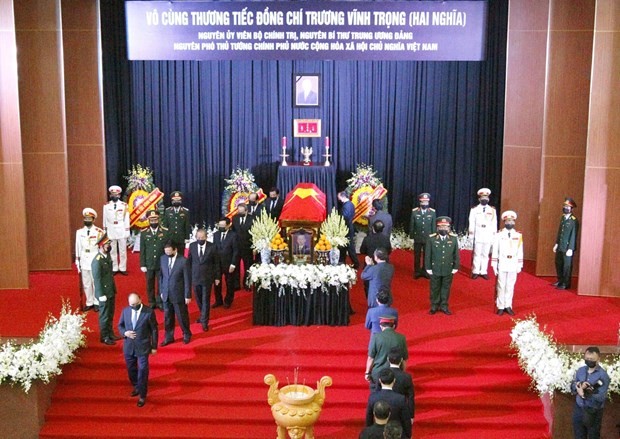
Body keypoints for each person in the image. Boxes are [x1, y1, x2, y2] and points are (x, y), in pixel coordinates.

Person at [117, 293, 158, 407]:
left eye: (135, 304)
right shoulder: (125, 311)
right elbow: (120, 326)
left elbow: (154, 330)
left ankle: (143, 395)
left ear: (141, 300)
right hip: (129, 347)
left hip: (143, 346)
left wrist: (154, 346)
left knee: (143, 370)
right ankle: (136, 386)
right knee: (131, 369)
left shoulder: (148, 312)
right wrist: (125, 333)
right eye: (131, 304)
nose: (133, 306)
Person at [570, 346, 610, 439]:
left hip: (593, 411)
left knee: (593, 436)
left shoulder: (603, 375)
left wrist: (585, 394)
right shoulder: (581, 371)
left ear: (598, 359)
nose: (589, 360)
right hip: (579, 409)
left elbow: (601, 397)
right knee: (578, 436)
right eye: (587, 359)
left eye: (592, 359)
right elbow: (572, 386)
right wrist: (579, 385)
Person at [425, 216, 460, 315]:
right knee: (434, 287)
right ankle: (434, 305)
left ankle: (444, 305)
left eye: (446, 227)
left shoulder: (453, 239)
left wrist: (456, 266)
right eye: (441, 227)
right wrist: (428, 267)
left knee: (446, 288)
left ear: (449, 228)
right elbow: (428, 254)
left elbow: (456, 254)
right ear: (437, 228)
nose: (443, 229)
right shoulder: (431, 239)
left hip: (448, 268)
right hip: (435, 268)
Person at [159, 241, 192, 346]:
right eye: (166, 251)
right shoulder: (163, 259)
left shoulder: (183, 261)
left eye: (169, 251)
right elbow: (161, 276)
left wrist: (187, 295)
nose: (167, 253)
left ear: (175, 250)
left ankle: (186, 333)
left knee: (181, 316)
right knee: (167, 317)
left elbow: (187, 279)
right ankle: (169, 337)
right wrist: (161, 290)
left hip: (178, 294)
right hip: (166, 294)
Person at [491, 210, 523, 316]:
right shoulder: (499, 235)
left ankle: (508, 305)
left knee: (510, 286)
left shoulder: (518, 235)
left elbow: (520, 251)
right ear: (504, 222)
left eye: (512, 221)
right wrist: (494, 264)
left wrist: (520, 264)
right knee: (501, 285)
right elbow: (495, 250)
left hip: (513, 263)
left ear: (514, 222)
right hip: (503, 262)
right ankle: (500, 306)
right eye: (508, 221)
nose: (510, 223)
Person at [187, 228, 220, 331]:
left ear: (206, 237)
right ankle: (202, 315)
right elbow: (189, 261)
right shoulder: (192, 246)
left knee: (206, 300)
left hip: (207, 278)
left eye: (202, 237)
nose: (200, 239)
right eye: (198, 237)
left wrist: (217, 277)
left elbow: (216, 263)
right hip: (195, 277)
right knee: (198, 299)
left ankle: (205, 321)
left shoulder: (212, 246)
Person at [365, 368, 412, 439]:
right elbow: (406, 420)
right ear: (394, 380)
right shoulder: (400, 399)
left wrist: (370, 431)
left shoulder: (373, 398)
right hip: (396, 433)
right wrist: (408, 435)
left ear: (380, 380)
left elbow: (369, 418)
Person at [365, 316, 408, 387]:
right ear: (393, 326)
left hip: (378, 372)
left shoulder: (376, 337)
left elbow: (371, 358)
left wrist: (367, 372)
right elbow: (404, 359)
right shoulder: (401, 338)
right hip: (395, 373)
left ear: (381, 326)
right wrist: (402, 373)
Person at [91, 234, 118, 345]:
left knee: (110, 313)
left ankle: (110, 333)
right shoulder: (97, 261)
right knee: (104, 315)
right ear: (101, 246)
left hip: (110, 290)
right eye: (107, 244)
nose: (109, 246)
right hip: (103, 292)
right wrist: (100, 294)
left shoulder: (107, 256)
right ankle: (104, 336)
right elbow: (97, 279)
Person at [75, 207, 103, 312]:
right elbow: (77, 246)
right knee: (86, 282)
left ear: (93, 219)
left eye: (89, 219)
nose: (87, 220)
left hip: (94, 256)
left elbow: (102, 246)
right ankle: (89, 301)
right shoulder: (79, 232)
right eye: (85, 218)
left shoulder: (99, 231)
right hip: (84, 258)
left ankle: (96, 301)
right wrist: (77, 260)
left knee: (95, 281)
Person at [139, 210, 168, 311]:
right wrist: (142, 264)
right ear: (148, 220)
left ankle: (160, 301)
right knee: (149, 283)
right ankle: (151, 302)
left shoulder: (165, 231)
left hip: (161, 263)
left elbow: (167, 248)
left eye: (155, 219)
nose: (154, 221)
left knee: (161, 284)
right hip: (149, 263)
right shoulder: (144, 233)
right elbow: (142, 250)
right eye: (151, 219)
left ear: (158, 219)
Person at [468, 188, 497, 280]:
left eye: (486, 197)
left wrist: (493, 236)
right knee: (477, 253)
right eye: (482, 197)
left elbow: (494, 223)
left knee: (485, 254)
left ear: (488, 198)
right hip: (478, 233)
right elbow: (471, 222)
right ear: (479, 199)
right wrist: (471, 235)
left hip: (488, 234)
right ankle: (476, 271)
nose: (484, 199)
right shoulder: (474, 209)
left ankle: (483, 271)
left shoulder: (492, 210)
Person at [552, 197, 579, 290]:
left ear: (571, 209)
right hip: (560, 245)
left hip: (568, 247)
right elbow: (560, 232)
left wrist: (571, 248)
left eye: (568, 207)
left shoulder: (573, 220)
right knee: (558, 263)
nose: (566, 208)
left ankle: (565, 283)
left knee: (567, 266)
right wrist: (556, 243)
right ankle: (560, 280)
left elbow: (574, 235)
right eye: (565, 206)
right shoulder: (563, 218)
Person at [102, 185, 130, 275]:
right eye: (113, 194)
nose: (114, 196)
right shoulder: (106, 206)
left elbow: (126, 218)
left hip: (121, 227)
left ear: (119, 195)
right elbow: (105, 219)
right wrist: (104, 230)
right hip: (110, 228)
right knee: (112, 249)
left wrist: (127, 230)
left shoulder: (124, 205)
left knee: (122, 250)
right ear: (110, 195)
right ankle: (114, 267)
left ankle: (122, 267)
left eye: (116, 194)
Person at [213, 217, 239, 309]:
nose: (221, 227)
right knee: (217, 283)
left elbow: (236, 251)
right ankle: (218, 300)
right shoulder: (215, 234)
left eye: (223, 226)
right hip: (217, 263)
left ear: (228, 225)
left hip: (228, 263)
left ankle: (228, 300)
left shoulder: (233, 235)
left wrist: (233, 264)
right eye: (220, 225)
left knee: (229, 283)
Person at [408, 193, 436, 279]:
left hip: (428, 238)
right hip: (418, 237)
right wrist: (412, 235)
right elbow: (412, 225)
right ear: (420, 202)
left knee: (427, 255)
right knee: (417, 256)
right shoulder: (415, 212)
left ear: (428, 202)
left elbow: (433, 226)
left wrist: (433, 237)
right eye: (423, 202)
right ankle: (417, 271)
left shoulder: (432, 212)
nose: (424, 204)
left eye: (426, 202)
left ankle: (425, 271)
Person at [388, 348, 415, 417]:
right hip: (400, 409)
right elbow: (410, 397)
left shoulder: (382, 374)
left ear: (388, 359)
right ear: (401, 361)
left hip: (384, 409)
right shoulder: (406, 377)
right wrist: (411, 415)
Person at [232, 203, 254, 289]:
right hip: (236, 247)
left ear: (246, 211)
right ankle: (236, 285)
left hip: (247, 246)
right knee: (236, 266)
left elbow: (254, 232)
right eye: (239, 211)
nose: (240, 213)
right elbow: (233, 232)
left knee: (247, 266)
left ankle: (247, 284)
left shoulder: (252, 219)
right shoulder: (234, 218)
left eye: (241, 211)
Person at [338, 191, 360, 268]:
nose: (338, 198)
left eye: (339, 197)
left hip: (346, 229)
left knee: (350, 247)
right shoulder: (351, 204)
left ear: (342, 196)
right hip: (348, 227)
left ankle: (356, 263)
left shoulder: (346, 206)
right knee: (344, 246)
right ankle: (342, 261)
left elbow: (345, 217)